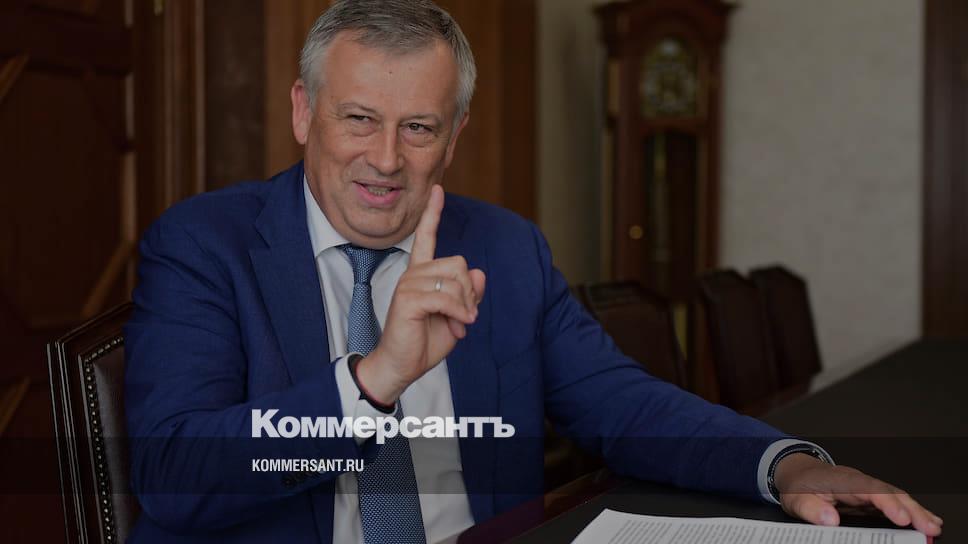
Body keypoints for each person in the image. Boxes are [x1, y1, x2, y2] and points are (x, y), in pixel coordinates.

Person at [123, 1, 943, 542]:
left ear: (455, 134)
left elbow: (625, 405)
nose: (386, 159)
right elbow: (172, 476)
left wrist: (788, 466)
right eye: (359, 119)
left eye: (419, 128)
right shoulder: (203, 245)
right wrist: (373, 384)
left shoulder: (505, 247)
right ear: (304, 111)